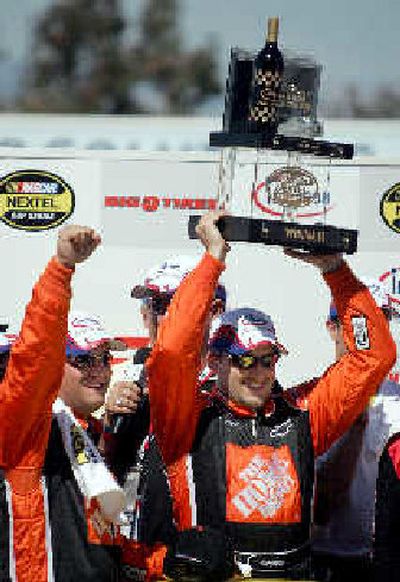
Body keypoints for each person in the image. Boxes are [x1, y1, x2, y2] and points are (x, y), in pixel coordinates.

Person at [147, 211, 397, 580]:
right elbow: (170, 352)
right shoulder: (185, 418)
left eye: (268, 359)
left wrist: (335, 270)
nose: (258, 372)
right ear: (215, 360)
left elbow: (373, 356)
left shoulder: (302, 415)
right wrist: (212, 260)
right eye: (244, 359)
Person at [0, 226, 126, 582]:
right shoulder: (23, 430)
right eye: (84, 360)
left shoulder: (93, 434)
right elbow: (35, 359)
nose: (100, 371)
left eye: (104, 358)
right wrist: (62, 268)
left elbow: (104, 544)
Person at [105, 255, 226, 581]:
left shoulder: (234, 383)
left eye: (175, 302)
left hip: (197, 560)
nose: (162, 315)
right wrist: (109, 428)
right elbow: (102, 482)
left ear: (212, 310)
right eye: (156, 304)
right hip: (134, 555)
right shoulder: (121, 376)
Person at [312, 281, 400, 582]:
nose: (366, 335)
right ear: (332, 327)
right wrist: (356, 420)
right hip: (324, 556)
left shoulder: (398, 401)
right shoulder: (310, 398)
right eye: (353, 323)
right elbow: (320, 505)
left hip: (384, 559)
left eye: (379, 320)